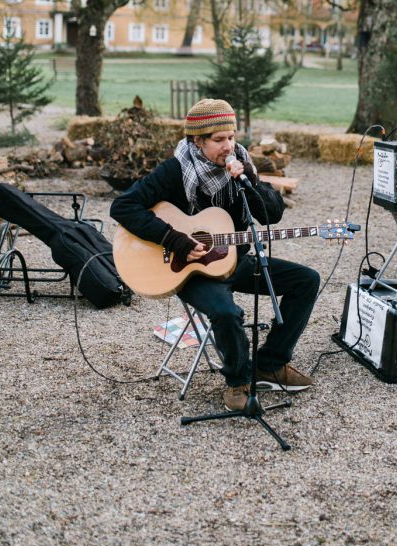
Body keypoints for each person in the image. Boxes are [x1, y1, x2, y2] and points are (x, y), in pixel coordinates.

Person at [110, 98, 320, 412]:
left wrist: (248, 181)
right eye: (219, 140)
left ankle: (270, 363)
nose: (228, 146)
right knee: (226, 313)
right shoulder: (175, 170)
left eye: (232, 138)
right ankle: (237, 381)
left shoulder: (241, 166)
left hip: (235, 260)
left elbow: (272, 215)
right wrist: (175, 239)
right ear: (198, 141)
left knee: (307, 280)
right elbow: (123, 206)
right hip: (190, 269)